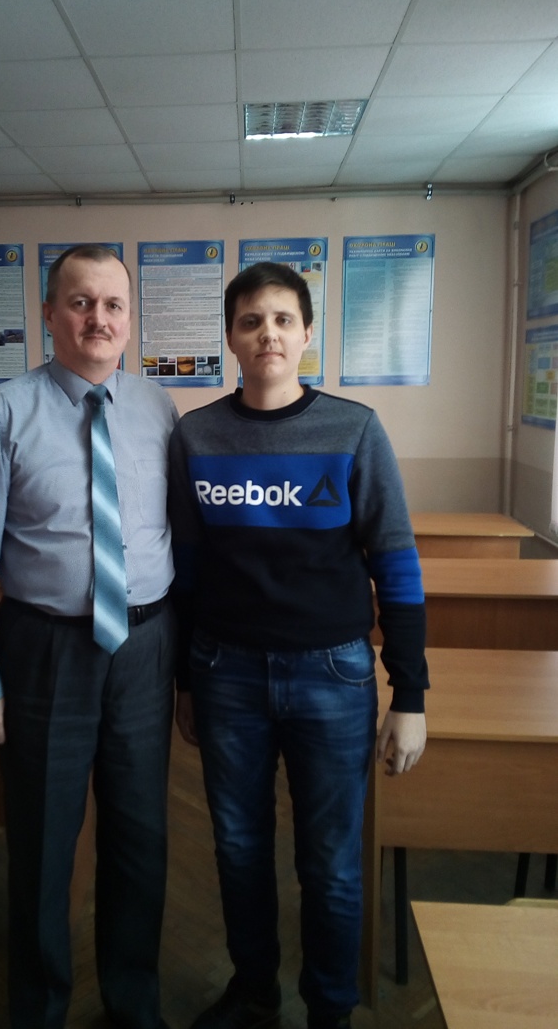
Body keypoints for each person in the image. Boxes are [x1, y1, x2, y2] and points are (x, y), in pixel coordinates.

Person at [168, 262, 428, 1029]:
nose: (267, 334)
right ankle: (254, 992)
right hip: (225, 673)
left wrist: (408, 692)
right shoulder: (196, 435)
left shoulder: (354, 429)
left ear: (307, 333)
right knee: (238, 848)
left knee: (331, 863)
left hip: (333, 675)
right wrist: (185, 679)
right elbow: (186, 566)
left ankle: (329, 1009)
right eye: (250, 320)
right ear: (230, 337)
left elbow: (395, 562)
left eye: (282, 319)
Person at [0, 245, 178, 1029]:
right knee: (43, 844)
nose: (97, 318)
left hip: (143, 646)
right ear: (49, 313)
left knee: (140, 837)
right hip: (43, 650)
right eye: (79, 302)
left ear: (129, 318)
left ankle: (132, 1003)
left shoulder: (158, 408)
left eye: (112, 304)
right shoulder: (0, 413)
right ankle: (38, 1009)